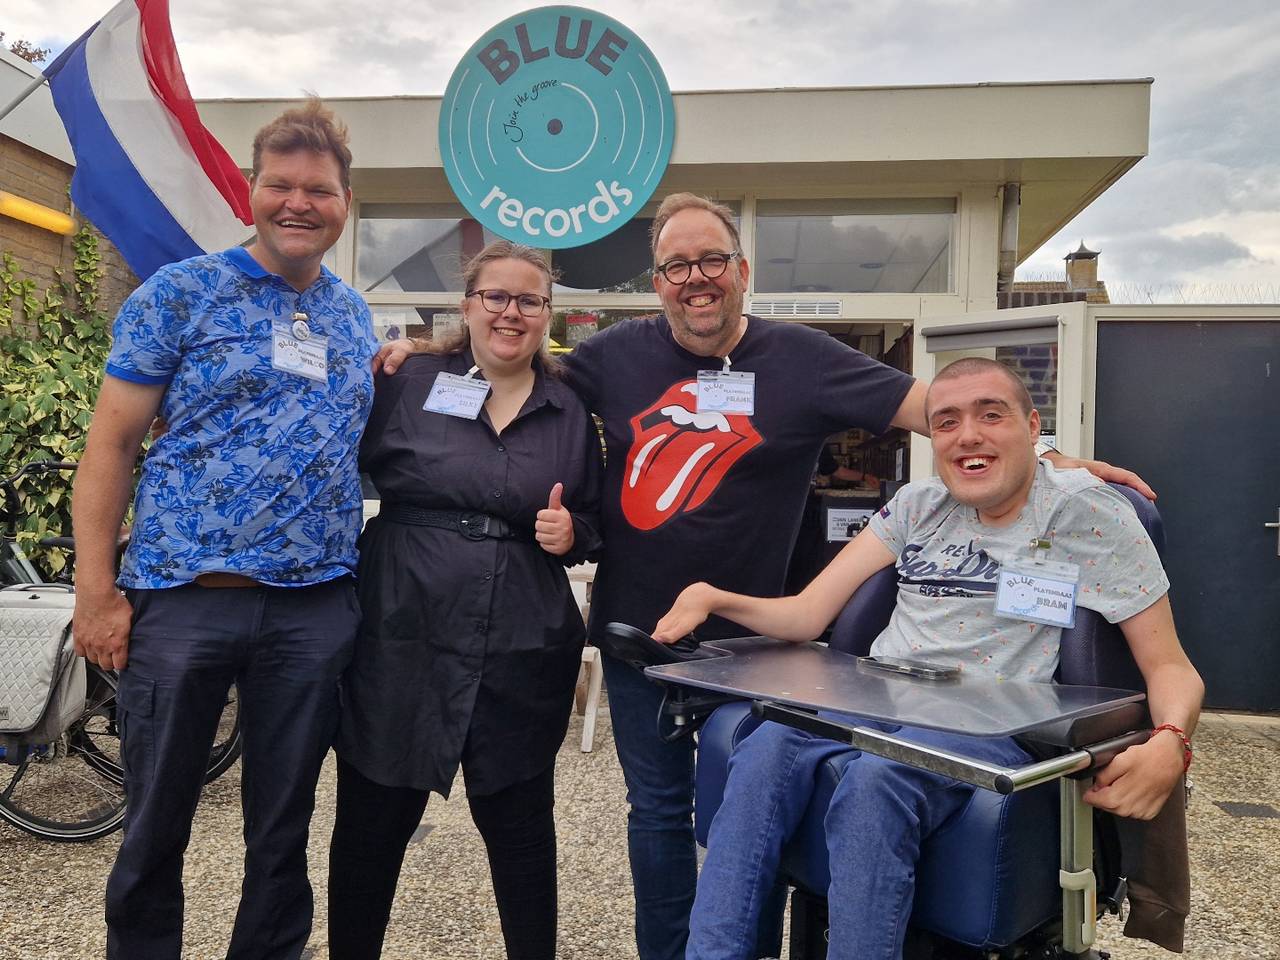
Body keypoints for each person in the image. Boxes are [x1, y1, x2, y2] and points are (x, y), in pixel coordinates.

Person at [378, 193, 1155, 960]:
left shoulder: (803, 359)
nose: (696, 277)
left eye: (711, 259)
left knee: (761, 808)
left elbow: (951, 413)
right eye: (676, 265)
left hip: (759, 648)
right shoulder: (612, 357)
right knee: (656, 814)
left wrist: (1050, 455)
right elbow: (515, 360)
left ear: (742, 270)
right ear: (657, 282)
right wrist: (426, 354)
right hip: (644, 633)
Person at [653, 357, 1204, 960]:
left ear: (1033, 427)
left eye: (991, 415)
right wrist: (714, 597)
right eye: (947, 422)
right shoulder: (917, 506)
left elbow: (1170, 667)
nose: (968, 434)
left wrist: (1171, 741)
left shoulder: (1088, 514)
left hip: (987, 717)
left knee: (876, 781)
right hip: (874, 696)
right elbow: (808, 614)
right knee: (762, 746)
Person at [70, 100, 372, 959]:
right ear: (251, 189)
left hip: (313, 612)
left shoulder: (351, 320)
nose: (298, 202)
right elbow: (111, 447)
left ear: (344, 202)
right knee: (155, 822)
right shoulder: (181, 294)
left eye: (318, 189)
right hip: (182, 604)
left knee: (282, 830)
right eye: (280, 184)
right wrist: (97, 594)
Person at [327, 241, 603, 960]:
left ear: (548, 314)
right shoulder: (409, 378)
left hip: (521, 643)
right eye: (496, 297)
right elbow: (326, 460)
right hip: (401, 634)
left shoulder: (570, 407)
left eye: (529, 300)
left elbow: (600, 521)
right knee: (372, 821)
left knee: (519, 826)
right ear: (468, 304)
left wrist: (573, 531)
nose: (511, 313)